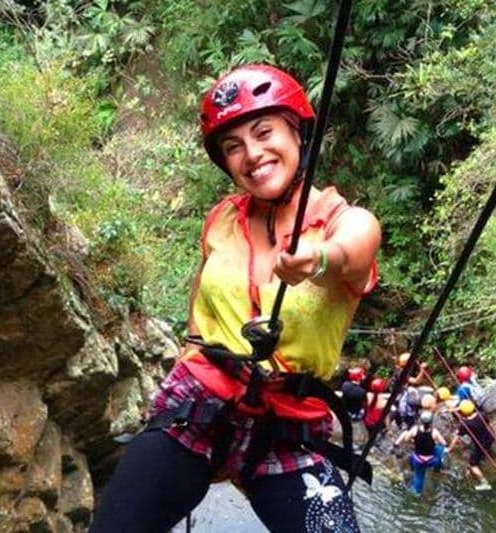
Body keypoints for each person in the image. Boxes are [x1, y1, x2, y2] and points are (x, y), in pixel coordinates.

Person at [90, 64, 382, 533]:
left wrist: (317, 259)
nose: (252, 153)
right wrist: (188, 354)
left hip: (288, 427)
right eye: (233, 146)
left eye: (264, 132)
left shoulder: (339, 220)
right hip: (199, 403)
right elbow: (200, 297)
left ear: (297, 131)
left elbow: (357, 247)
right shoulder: (220, 220)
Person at [393, 411, 447, 495]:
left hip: (418, 460)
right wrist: (435, 442)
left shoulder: (415, 430)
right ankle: (438, 467)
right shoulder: (434, 432)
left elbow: (406, 439)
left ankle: (416, 493)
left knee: (419, 476)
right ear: (431, 422)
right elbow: (444, 443)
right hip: (431, 460)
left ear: (421, 421)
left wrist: (414, 440)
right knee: (440, 448)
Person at [447, 400, 494, 491]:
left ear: (462, 413)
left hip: (480, 445)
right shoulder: (481, 415)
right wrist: (452, 410)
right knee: (483, 448)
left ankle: (484, 483)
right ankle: (485, 453)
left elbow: (456, 439)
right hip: (490, 438)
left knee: (472, 464)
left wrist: (449, 449)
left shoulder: (465, 425)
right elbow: (488, 425)